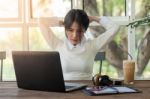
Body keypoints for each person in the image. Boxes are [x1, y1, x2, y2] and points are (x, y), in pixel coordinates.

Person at [39, 9, 119, 80]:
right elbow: (41, 21)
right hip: (65, 92)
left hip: (86, 90)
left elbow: (115, 28)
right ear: (65, 29)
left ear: (85, 31)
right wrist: (61, 22)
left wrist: (95, 19)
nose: (75, 35)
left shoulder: (92, 46)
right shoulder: (58, 45)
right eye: (70, 30)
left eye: (79, 31)